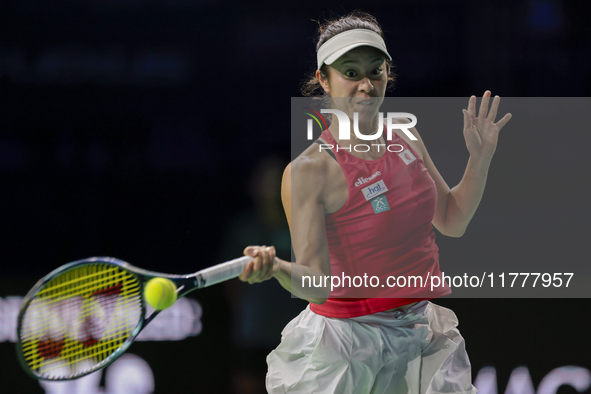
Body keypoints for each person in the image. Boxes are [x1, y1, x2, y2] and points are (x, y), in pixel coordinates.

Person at [238, 10, 511, 394]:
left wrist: (479, 159)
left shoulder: (407, 138)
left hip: (422, 333)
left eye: (375, 71)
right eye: (350, 72)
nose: (366, 85)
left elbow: (452, 219)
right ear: (323, 79)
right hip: (350, 347)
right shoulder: (309, 172)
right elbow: (317, 283)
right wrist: (278, 267)